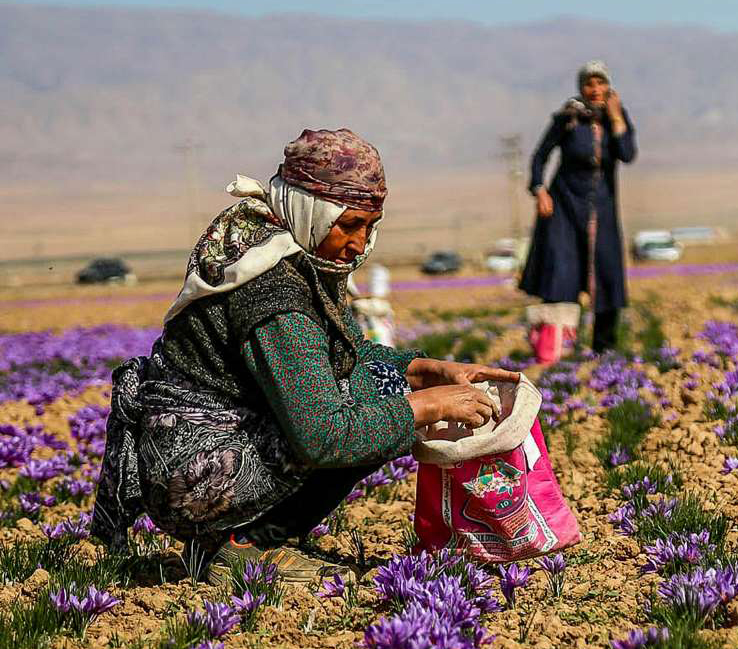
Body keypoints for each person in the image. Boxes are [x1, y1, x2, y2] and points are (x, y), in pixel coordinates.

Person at [90, 128, 520, 581]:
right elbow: (321, 434)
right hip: (195, 470)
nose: (359, 243)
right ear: (312, 211)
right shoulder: (274, 291)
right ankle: (238, 544)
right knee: (366, 414)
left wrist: (421, 371)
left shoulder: (291, 246)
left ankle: (257, 535)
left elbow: (337, 355)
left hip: (209, 443)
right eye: (350, 224)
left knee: (382, 392)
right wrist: (425, 405)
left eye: (370, 226)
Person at [518, 59, 637, 353]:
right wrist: (539, 189)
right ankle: (554, 348)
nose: (595, 89)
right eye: (589, 83)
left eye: (601, 83)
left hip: (602, 211)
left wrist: (617, 119)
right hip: (564, 209)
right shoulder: (568, 118)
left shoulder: (617, 118)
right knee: (561, 275)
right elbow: (539, 156)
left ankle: (604, 350)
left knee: (608, 275)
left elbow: (627, 154)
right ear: (581, 87)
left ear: (608, 87)